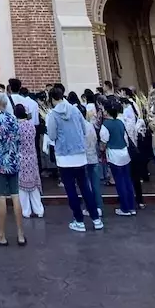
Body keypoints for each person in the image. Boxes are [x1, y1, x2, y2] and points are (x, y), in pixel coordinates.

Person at [47, 85, 101, 230]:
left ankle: (79, 220)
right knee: (85, 188)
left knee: (71, 190)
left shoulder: (53, 115)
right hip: (79, 154)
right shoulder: (75, 109)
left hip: (64, 157)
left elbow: (52, 135)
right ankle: (96, 219)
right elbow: (84, 129)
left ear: (52, 99)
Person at [0, 92, 26, 247]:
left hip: (0, 163)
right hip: (14, 162)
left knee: (2, 197)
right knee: (16, 196)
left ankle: (2, 235)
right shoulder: (14, 120)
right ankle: (20, 234)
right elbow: (19, 140)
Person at [99, 99, 137, 217]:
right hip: (124, 153)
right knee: (127, 180)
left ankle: (125, 208)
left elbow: (103, 142)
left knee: (119, 181)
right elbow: (125, 139)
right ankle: (132, 206)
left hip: (114, 155)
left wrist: (101, 150)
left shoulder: (106, 125)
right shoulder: (120, 123)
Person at [15, 104, 43, 219]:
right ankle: (39, 209)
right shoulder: (31, 126)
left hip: (21, 157)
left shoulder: (17, 127)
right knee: (34, 185)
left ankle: (26, 211)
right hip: (32, 156)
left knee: (22, 187)